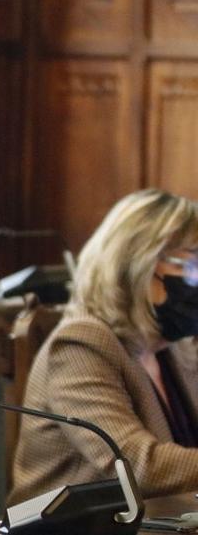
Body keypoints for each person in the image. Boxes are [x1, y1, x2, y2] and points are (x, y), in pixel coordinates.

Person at [10, 189, 198, 505]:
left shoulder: (173, 346)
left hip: (161, 534)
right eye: (191, 265)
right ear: (136, 263)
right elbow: (136, 466)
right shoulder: (80, 346)